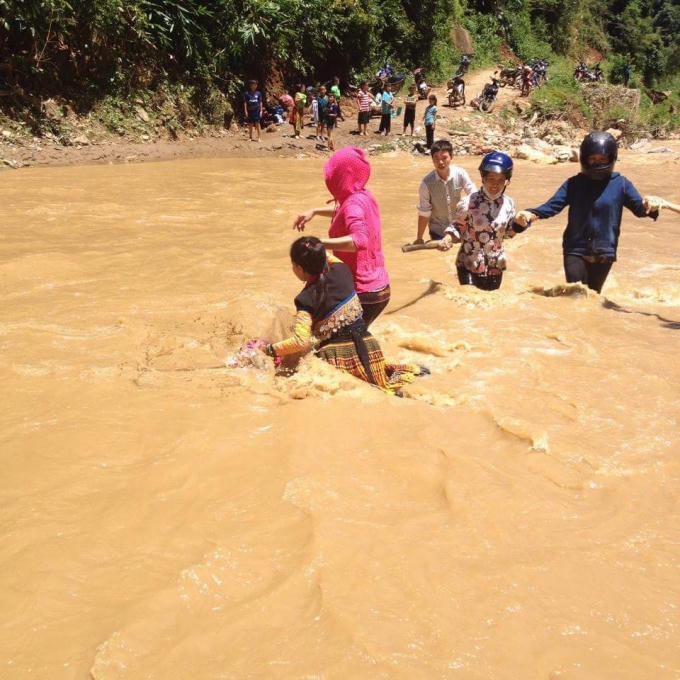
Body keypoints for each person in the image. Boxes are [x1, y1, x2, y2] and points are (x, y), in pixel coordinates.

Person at [262, 237, 424, 394]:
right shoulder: (342, 269)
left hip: (339, 358)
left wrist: (268, 349)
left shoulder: (304, 299)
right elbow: (325, 256)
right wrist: (313, 246)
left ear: (298, 268)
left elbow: (300, 341)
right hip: (371, 347)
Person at [514, 131, 659, 293]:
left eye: (602, 158)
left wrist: (651, 206)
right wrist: (529, 214)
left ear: (611, 158)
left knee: (593, 298)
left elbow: (640, 209)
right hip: (575, 249)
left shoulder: (621, 184)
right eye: (592, 158)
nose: (597, 163)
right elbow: (551, 207)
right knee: (576, 294)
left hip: (605, 252)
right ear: (584, 158)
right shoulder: (574, 184)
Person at [293, 147, 391, 325]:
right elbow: (344, 212)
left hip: (362, 291)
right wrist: (315, 211)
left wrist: (320, 244)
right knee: (353, 335)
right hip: (380, 288)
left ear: (340, 176)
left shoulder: (353, 204)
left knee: (326, 334)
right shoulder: (362, 195)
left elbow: (359, 240)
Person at [437, 152, 519, 291]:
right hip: (468, 263)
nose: (495, 184)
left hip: (495, 266)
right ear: (483, 178)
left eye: (500, 179)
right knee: (468, 297)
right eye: (491, 178)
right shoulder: (468, 202)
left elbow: (508, 234)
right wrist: (448, 237)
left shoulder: (509, 204)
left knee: (490, 303)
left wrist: (520, 225)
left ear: (507, 180)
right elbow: (457, 226)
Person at [413, 139, 476, 244]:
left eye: (444, 158)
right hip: (438, 231)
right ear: (432, 159)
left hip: (459, 228)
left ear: (451, 157)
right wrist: (419, 238)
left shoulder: (460, 174)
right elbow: (424, 212)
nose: (440, 162)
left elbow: (474, 195)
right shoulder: (426, 184)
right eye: (436, 158)